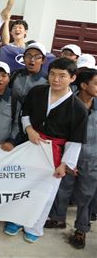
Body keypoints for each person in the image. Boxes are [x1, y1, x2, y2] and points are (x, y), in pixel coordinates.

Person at [4, 58, 88, 243]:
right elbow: (24, 113)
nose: (56, 79)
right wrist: (29, 130)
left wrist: (65, 165)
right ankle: (16, 220)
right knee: (21, 186)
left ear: (72, 78)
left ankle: (34, 226)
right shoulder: (37, 92)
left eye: (62, 76)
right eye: (52, 74)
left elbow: (75, 141)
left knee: (45, 193)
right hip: (31, 146)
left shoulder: (78, 109)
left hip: (54, 154)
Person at [44, 69, 97, 249]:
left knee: (86, 196)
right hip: (66, 156)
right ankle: (58, 218)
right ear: (83, 85)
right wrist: (68, 160)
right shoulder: (67, 103)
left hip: (92, 161)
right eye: (96, 83)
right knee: (62, 190)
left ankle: (81, 229)